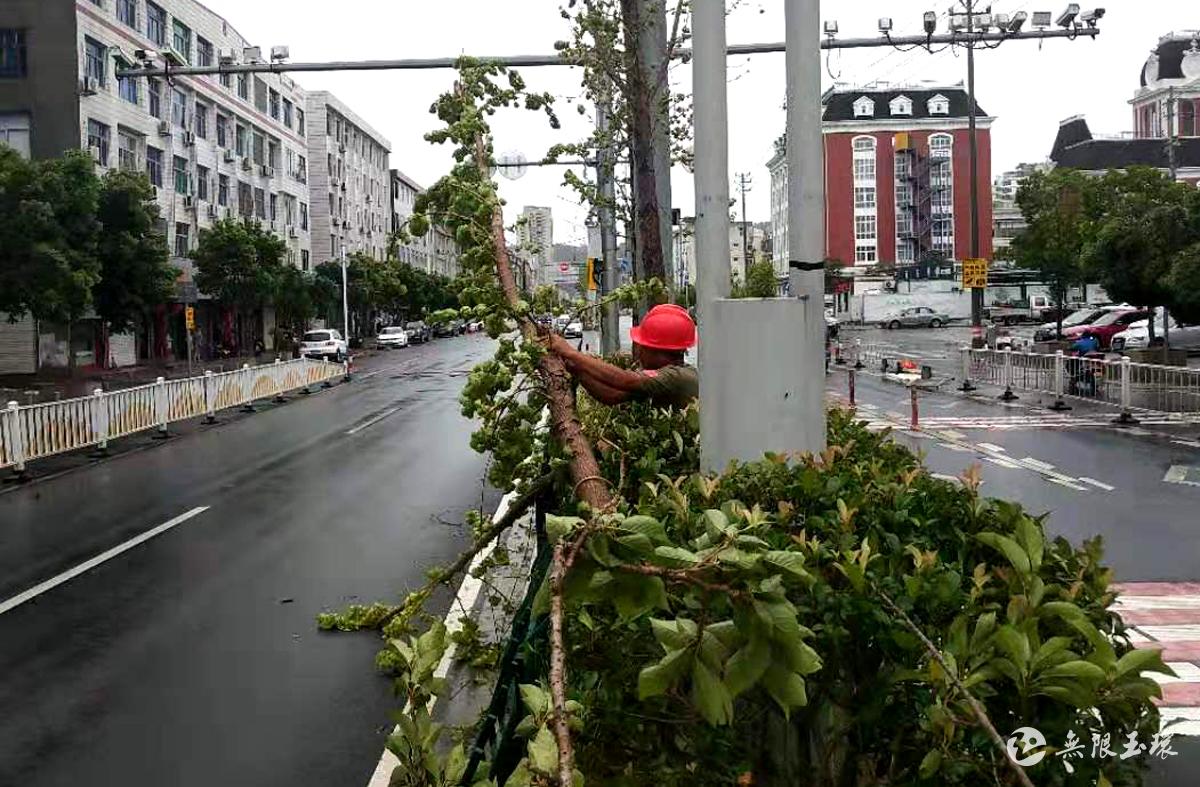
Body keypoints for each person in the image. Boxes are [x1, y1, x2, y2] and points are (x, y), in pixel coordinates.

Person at [543, 303, 698, 408]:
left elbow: (626, 380)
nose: (638, 352)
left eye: (643, 346)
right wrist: (576, 368)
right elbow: (613, 395)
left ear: (658, 350)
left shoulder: (678, 377)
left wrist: (570, 353)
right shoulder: (658, 382)